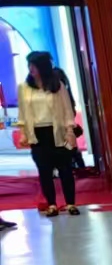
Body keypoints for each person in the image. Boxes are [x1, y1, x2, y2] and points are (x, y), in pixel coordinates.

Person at [17, 51, 82, 218]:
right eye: (29, 65)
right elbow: (22, 113)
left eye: (34, 65)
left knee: (65, 168)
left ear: (43, 67)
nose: (31, 68)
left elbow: (67, 109)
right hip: (38, 134)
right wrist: (23, 133)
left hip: (58, 132)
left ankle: (71, 203)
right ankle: (52, 204)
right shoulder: (24, 88)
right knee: (44, 170)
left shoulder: (57, 85)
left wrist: (70, 130)